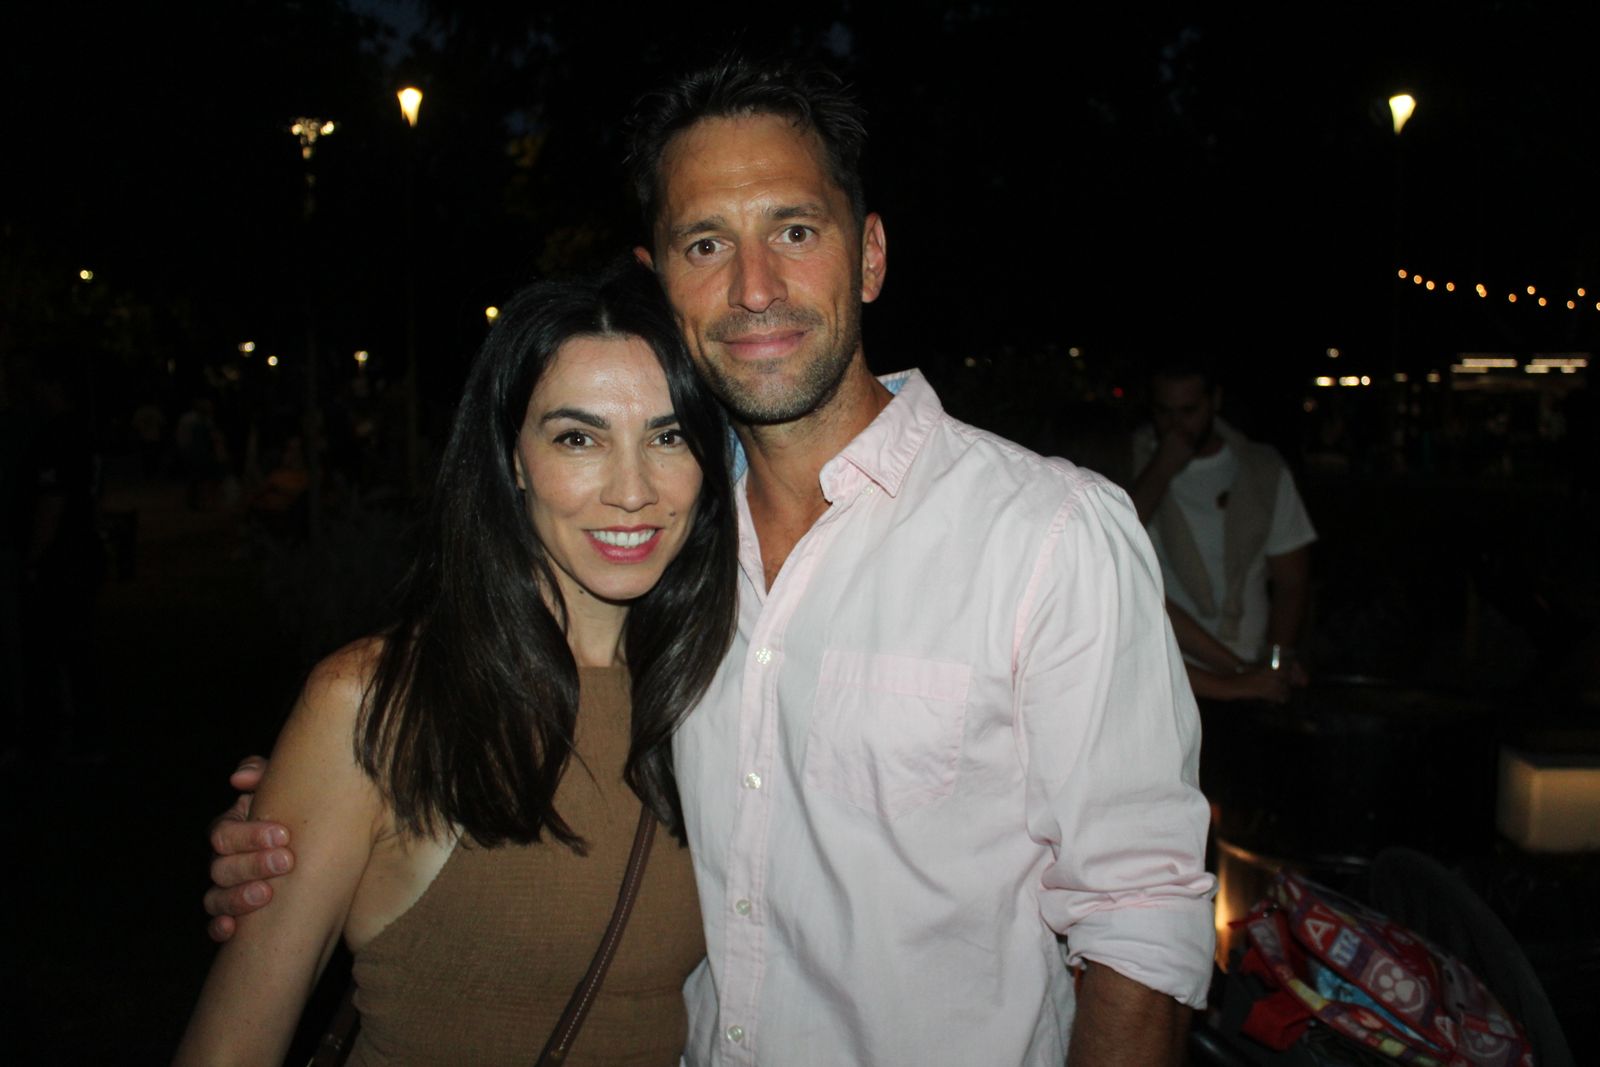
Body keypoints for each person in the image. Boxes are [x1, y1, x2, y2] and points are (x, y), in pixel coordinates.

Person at [207, 58, 1215, 1066]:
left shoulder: (1046, 534)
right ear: (659, 284)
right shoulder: (667, 550)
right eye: (705, 242)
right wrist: (318, 808)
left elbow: (1139, 917)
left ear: (867, 256)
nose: (755, 287)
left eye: (793, 230)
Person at [176, 261, 739, 1067]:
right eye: (578, 437)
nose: (632, 489)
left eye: (668, 435)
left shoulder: (722, 694)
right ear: (511, 460)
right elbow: (230, 1048)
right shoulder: (377, 701)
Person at [1129, 357, 1316, 684]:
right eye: (1164, 412)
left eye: (1188, 411)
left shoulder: (1262, 469)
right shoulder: (1130, 463)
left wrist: (1273, 665)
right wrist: (1162, 468)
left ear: (1214, 401)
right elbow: (1115, 539)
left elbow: (1292, 582)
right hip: (1163, 668)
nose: (1176, 426)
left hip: (1247, 657)